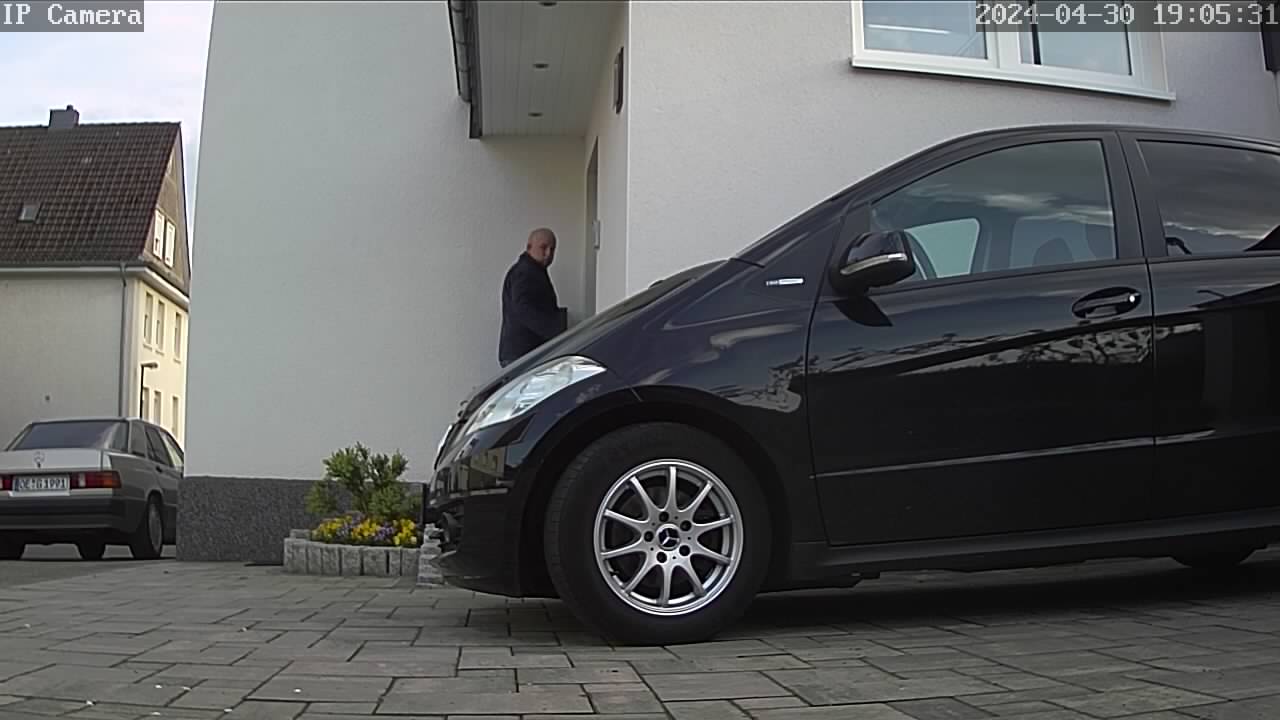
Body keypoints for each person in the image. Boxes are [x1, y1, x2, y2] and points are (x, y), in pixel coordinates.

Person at [499, 227, 567, 367]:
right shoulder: (525, 272)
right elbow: (524, 309)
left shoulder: (530, 270)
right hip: (523, 355)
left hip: (522, 354)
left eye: (552, 249)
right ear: (529, 247)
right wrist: (555, 333)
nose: (548, 254)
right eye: (543, 247)